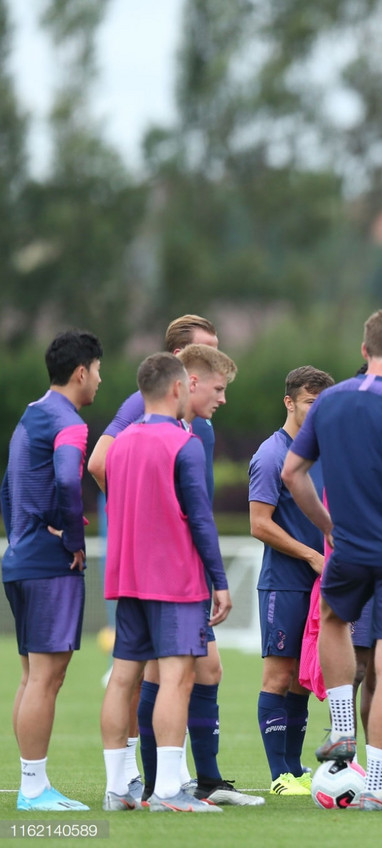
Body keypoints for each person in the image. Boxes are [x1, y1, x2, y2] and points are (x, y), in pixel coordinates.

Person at [282, 309, 382, 811]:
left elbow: (293, 473)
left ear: (364, 350)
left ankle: (342, 729)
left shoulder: (329, 403)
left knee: (332, 617)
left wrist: (328, 527)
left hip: (348, 546)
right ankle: (377, 790)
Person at [85, 314, 219, 801]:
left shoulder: (191, 421)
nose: (213, 374)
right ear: (181, 367)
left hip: (135, 570)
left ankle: (131, 785)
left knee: (148, 674)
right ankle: (169, 785)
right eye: (205, 355)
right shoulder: (148, 413)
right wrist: (146, 524)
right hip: (167, 571)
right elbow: (98, 463)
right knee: (174, 675)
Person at [2, 330, 102, 812]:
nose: (100, 381)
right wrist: (73, 538)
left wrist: (23, 534)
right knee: (46, 677)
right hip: (48, 565)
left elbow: (7, 488)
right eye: (98, 371)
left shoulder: (31, 413)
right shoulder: (69, 421)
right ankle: (34, 790)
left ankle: (31, 784)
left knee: (31, 676)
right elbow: (67, 478)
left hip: (20, 559)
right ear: (81, 371)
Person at [168, 344, 261, 806]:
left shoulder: (192, 429)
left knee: (204, 670)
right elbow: (196, 513)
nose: (223, 398)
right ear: (188, 374)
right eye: (219, 387)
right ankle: (156, 785)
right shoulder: (165, 430)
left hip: (174, 572)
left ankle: (201, 780)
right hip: (171, 575)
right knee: (162, 677)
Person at [248, 366, 335, 795]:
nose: (317, 412)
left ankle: (296, 768)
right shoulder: (270, 455)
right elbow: (259, 524)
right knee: (278, 677)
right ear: (290, 402)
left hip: (323, 583)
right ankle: (278, 775)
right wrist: (311, 555)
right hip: (284, 583)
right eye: (310, 403)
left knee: (303, 677)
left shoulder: (325, 453)